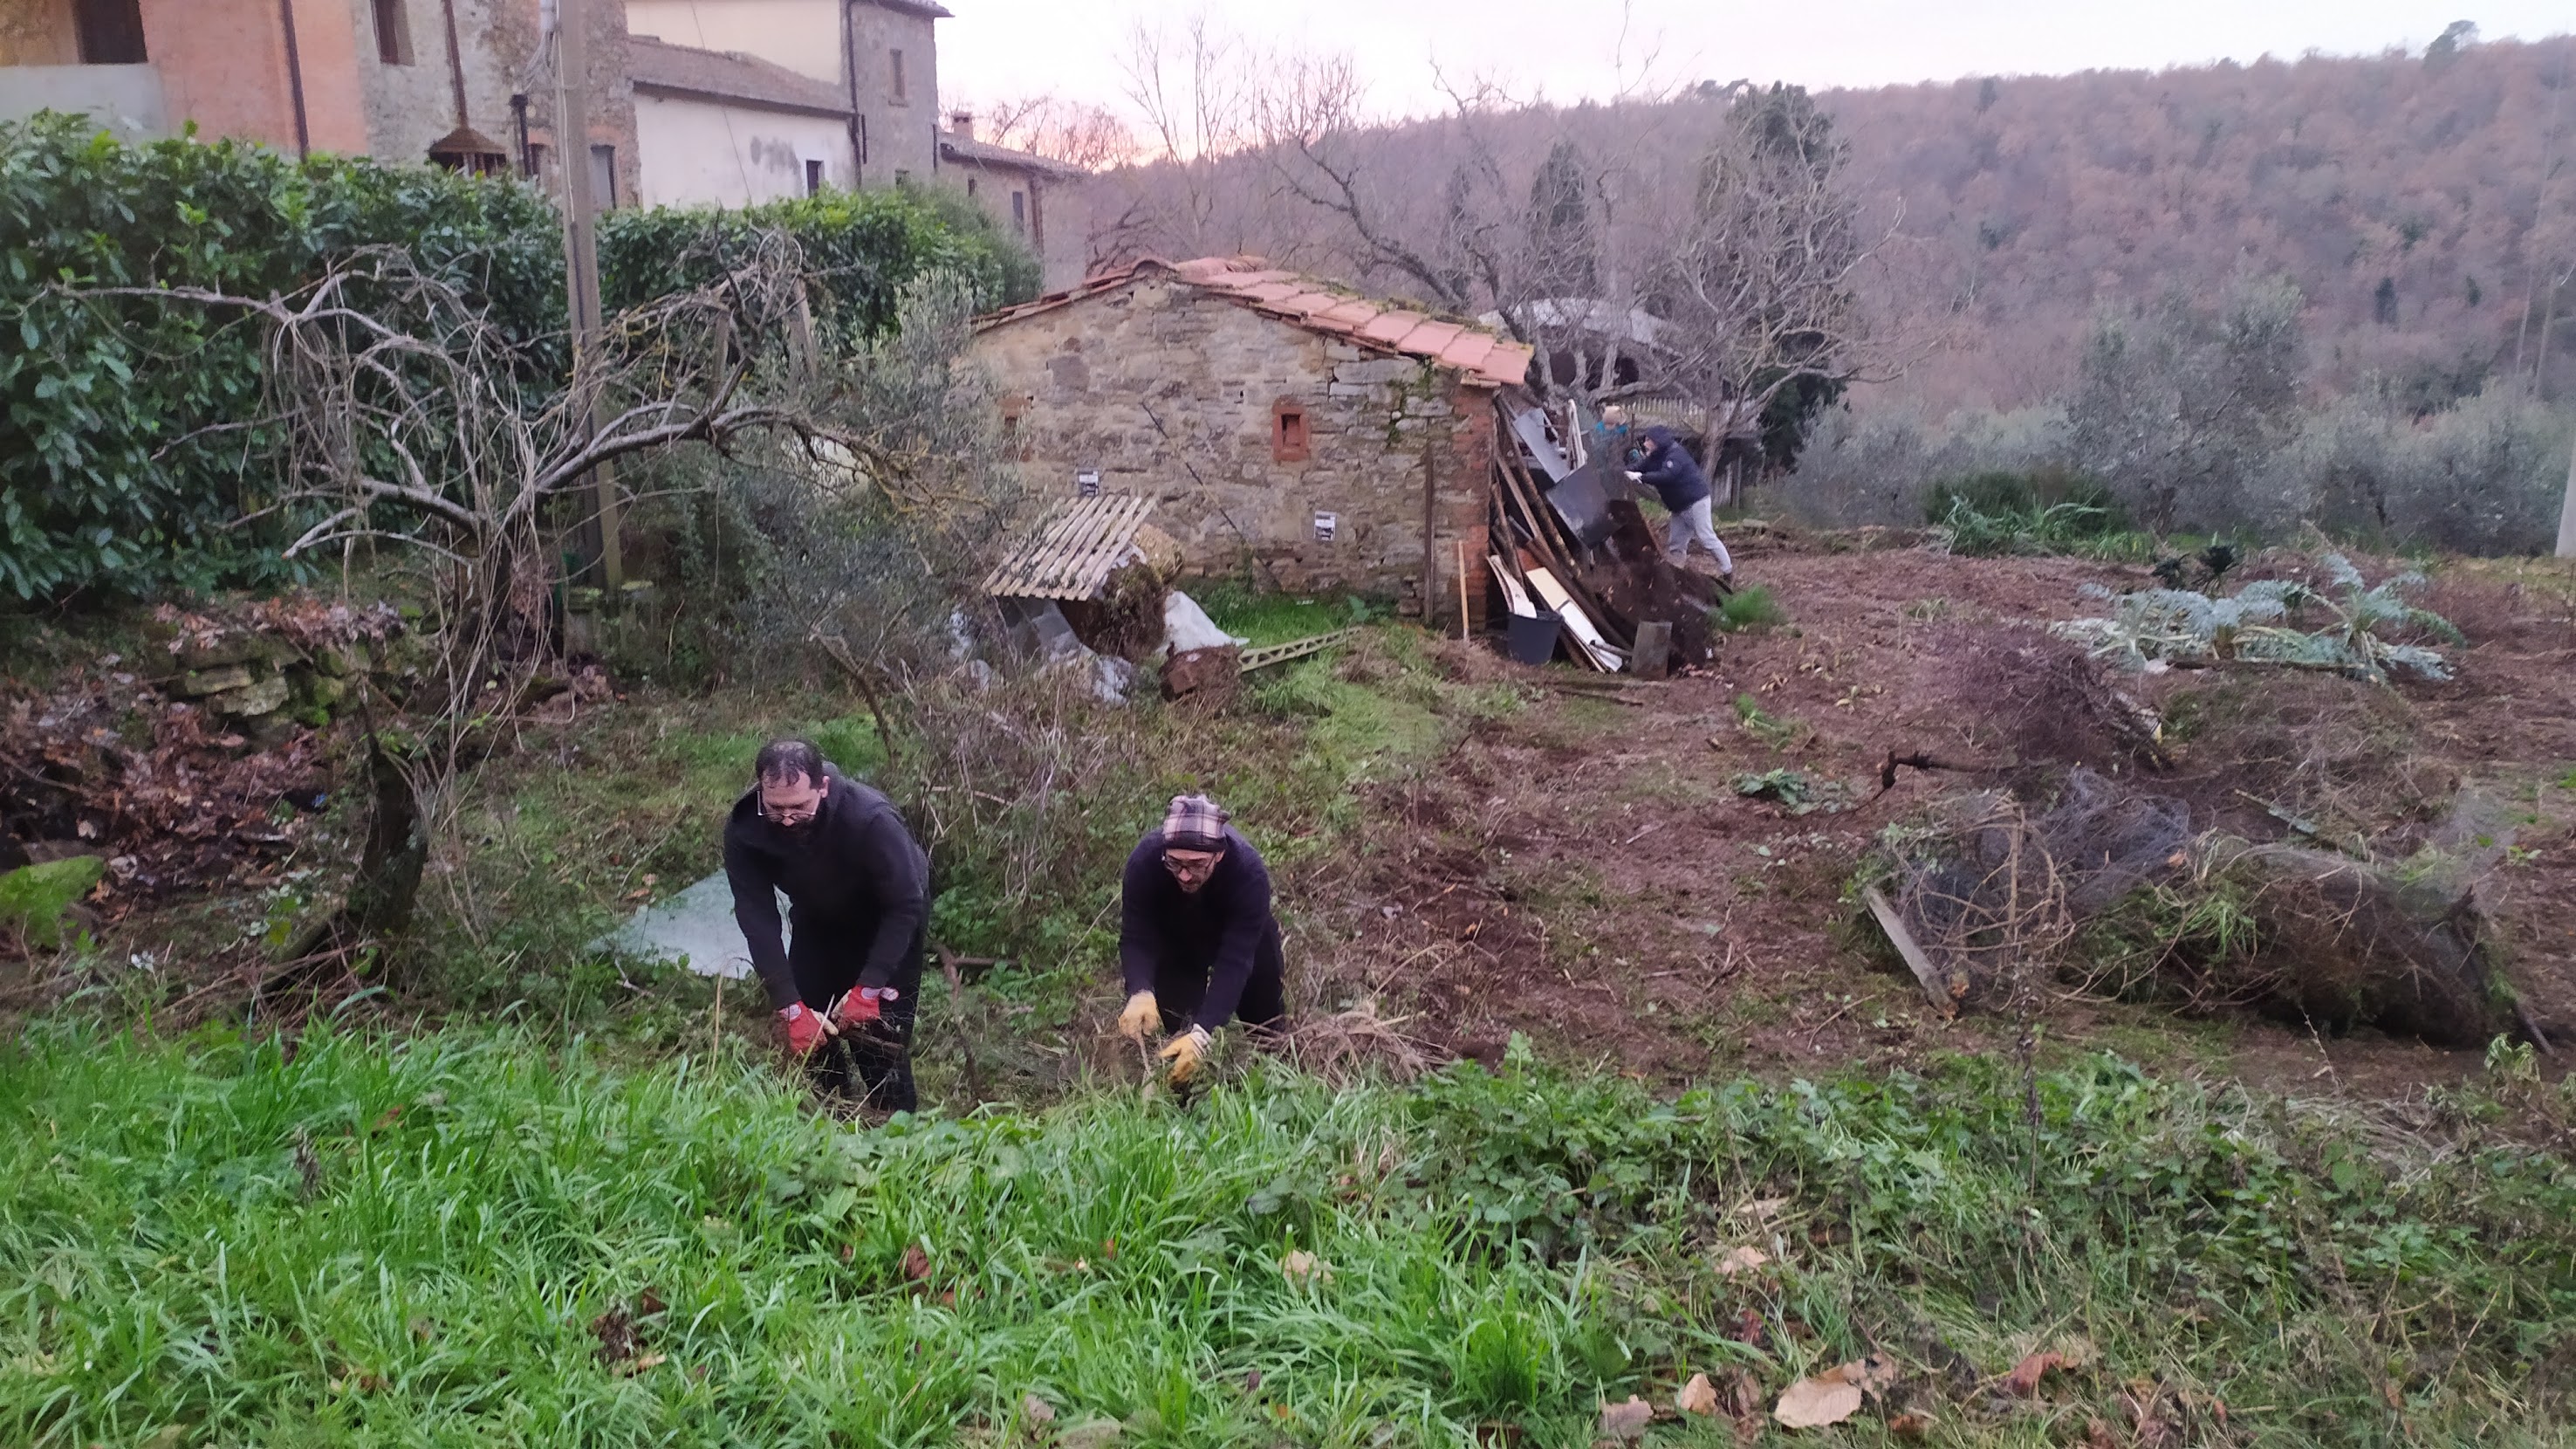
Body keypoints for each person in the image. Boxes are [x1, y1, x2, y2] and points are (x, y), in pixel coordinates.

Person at [723, 738, 930, 1111]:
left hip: (887, 920)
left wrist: (868, 988)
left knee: (878, 1042)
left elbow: (906, 902)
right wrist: (789, 1007)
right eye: (776, 809)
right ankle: (832, 1122)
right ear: (761, 794)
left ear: (823, 788)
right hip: (817, 919)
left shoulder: (870, 818)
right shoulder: (745, 828)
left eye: (799, 808)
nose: (787, 819)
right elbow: (756, 918)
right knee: (812, 1036)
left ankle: (896, 1133)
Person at [1114, 793, 1285, 1086]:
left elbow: (1235, 961)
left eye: (1196, 864)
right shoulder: (1144, 862)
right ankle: (1185, 1101)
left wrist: (1205, 1032)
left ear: (1219, 855)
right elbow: (1136, 935)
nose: (1183, 875)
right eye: (1175, 862)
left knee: (1264, 1019)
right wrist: (1140, 989)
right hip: (1179, 941)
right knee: (1179, 1027)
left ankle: (1272, 1084)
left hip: (1244, 942)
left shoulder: (1249, 873)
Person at [1628, 424, 1736, 580]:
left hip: (1696, 502)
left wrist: (1641, 477)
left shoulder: (1675, 455)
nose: (1645, 444)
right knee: (1676, 544)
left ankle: (1728, 572)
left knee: (1706, 538)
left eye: (1648, 440)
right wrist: (1625, 471)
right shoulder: (1654, 457)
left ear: (1658, 441)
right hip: (1678, 507)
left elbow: (1667, 476)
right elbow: (1639, 467)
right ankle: (1676, 574)